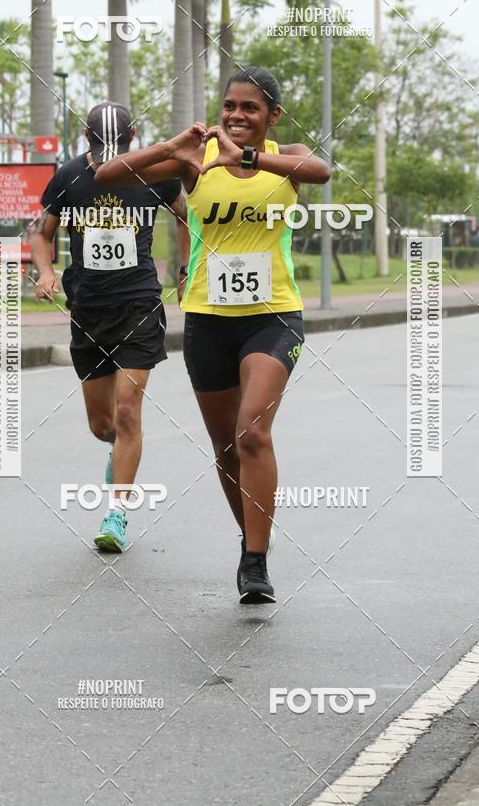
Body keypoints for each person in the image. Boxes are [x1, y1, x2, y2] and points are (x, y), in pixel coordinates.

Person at [95, 68, 331, 603]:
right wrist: (173, 145)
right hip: (206, 320)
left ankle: (254, 563)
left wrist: (244, 157)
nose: (236, 116)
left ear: (272, 116)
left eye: (250, 108)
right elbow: (108, 175)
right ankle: (251, 536)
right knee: (226, 447)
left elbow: (320, 171)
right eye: (229, 106)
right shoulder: (193, 163)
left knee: (252, 432)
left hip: (273, 316)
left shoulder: (284, 155)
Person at [31, 101, 186, 553]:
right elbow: (41, 233)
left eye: (116, 148)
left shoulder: (156, 173)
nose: (107, 157)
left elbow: (183, 214)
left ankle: (116, 513)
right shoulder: (69, 177)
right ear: (86, 141)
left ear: (135, 137)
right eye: (101, 149)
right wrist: (45, 271)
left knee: (126, 411)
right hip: (89, 309)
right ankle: (116, 452)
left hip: (138, 304)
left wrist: (184, 264)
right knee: (102, 426)